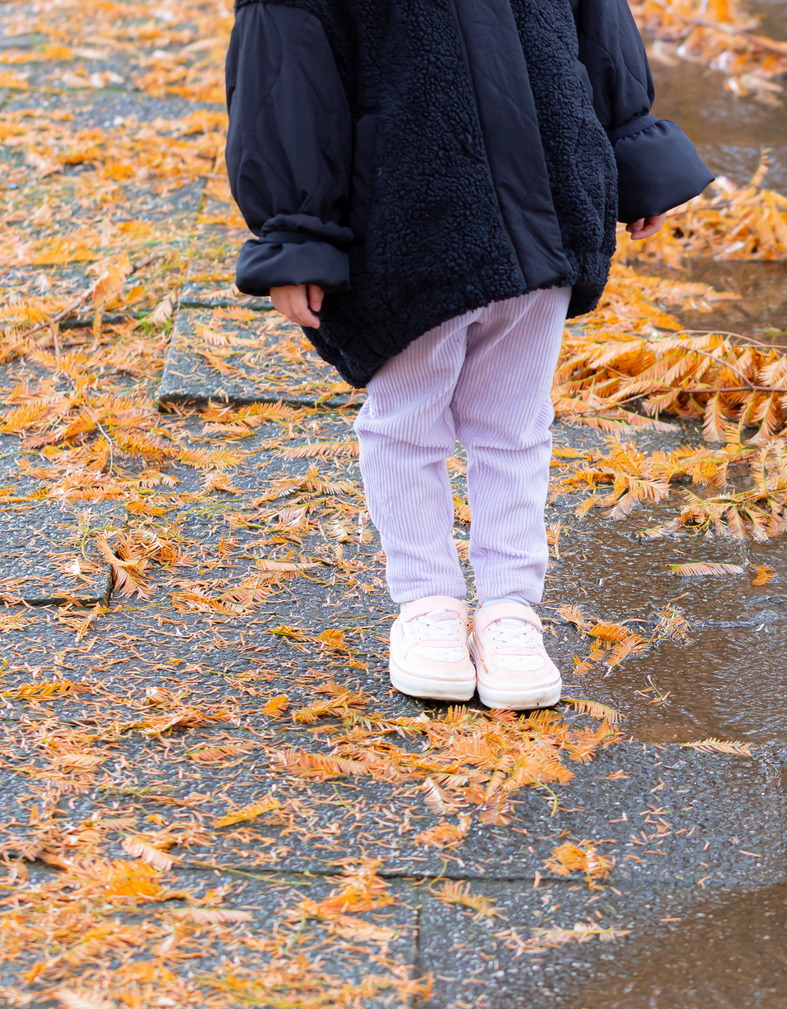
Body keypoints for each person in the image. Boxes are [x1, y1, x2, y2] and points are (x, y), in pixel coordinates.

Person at [223, 0, 712, 709]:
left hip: (547, 198)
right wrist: (296, 230)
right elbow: (284, 72)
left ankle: (511, 609)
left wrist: (635, 154)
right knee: (406, 420)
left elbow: (600, 26)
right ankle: (427, 605)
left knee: (514, 424)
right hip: (406, 217)